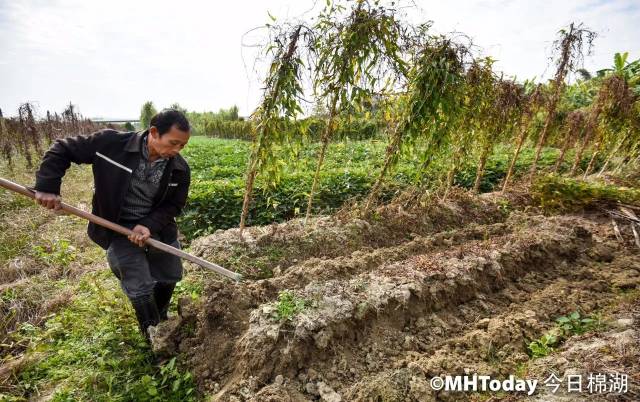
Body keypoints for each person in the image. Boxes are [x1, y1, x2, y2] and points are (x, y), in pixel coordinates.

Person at [31, 109, 191, 342]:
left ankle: (160, 317)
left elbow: (174, 205)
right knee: (139, 284)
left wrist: (147, 225)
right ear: (154, 132)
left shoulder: (179, 168)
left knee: (170, 274)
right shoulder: (111, 144)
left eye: (182, 146)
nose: (176, 151)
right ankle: (153, 337)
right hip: (115, 225)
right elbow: (62, 148)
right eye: (173, 143)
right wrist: (47, 185)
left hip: (157, 227)